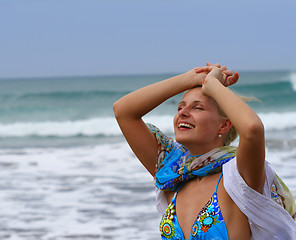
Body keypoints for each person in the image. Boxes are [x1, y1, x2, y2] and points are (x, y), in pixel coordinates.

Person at [113, 62, 296, 240]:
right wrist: (192, 77)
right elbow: (123, 111)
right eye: (180, 107)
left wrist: (212, 85)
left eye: (197, 107)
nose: (182, 113)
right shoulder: (173, 174)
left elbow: (252, 129)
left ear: (224, 125)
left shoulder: (238, 176)